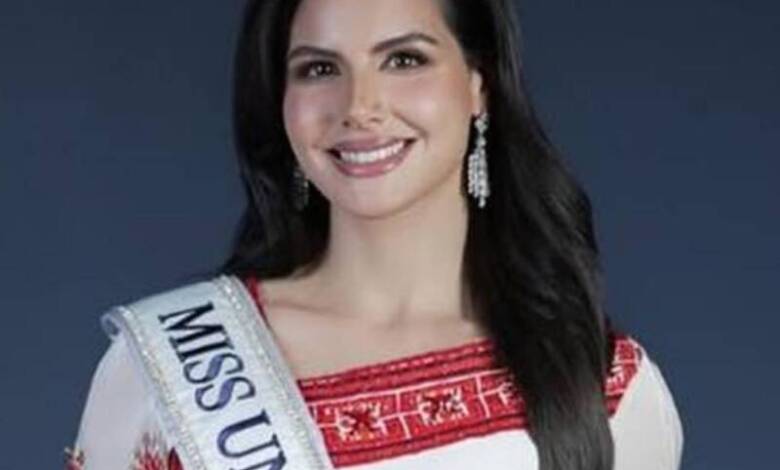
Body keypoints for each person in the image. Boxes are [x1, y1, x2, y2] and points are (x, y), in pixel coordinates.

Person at [66, 0, 684, 469]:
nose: (359, 105)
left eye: (404, 59)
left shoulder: (600, 385)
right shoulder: (160, 370)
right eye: (318, 69)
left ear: (479, 85)